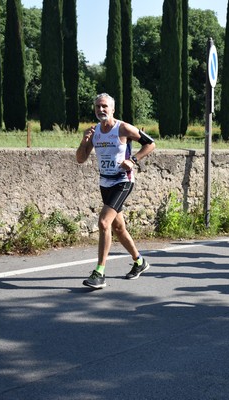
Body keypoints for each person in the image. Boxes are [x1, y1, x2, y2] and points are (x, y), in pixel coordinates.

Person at [76, 93, 156, 289]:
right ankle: (140, 262)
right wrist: (84, 141)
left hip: (123, 181)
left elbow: (150, 143)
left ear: (112, 109)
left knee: (104, 222)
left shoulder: (123, 128)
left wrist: (133, 160)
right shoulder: (94, 132)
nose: (100, 110)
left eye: (104, 106)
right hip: (105, 183)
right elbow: (80, 159)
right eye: (97, 107)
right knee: (118, 228)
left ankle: (99, 272)